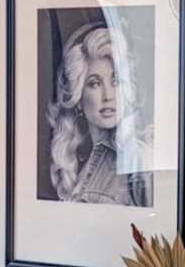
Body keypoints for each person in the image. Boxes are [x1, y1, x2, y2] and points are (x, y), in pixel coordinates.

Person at [42, 15, 151, 206]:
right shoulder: (75, 166)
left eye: (115, 80)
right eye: (94, 83)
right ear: (77, 97)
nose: (108, 95)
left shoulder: (139, 161)